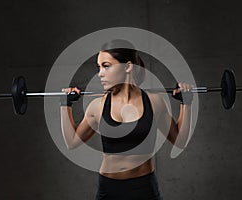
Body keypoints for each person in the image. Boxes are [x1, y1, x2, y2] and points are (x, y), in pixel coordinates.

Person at [60, 39, 193, 200]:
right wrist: (64, 104)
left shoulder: (154, 102)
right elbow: (72, 142)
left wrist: (187, 102)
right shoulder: (98, 106)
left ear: (128, 66)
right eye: (99, 67)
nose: (100, 73)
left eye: (106, 66)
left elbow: (180, 141)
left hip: (144, 188)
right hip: (109, 189)